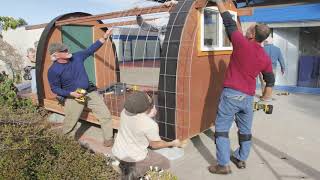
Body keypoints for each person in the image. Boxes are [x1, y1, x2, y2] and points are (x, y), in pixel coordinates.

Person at [207, 0, 275, 174]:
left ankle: (223, 165)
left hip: (231, 95)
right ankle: (241, 158)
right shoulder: (265, 57)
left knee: (221, 129)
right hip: (248, 98)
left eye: (249, 29)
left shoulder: (241, 43)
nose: (245, 30)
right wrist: (265, 98)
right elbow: (270, 80)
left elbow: (228, 22)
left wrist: (219, 2)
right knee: (245, 131)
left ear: (252, 34)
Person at [47, 29, 114, 147]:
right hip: (74, 97)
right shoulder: (53, 70)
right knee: (70, 123)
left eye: (66, 48)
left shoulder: (77, 57)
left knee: (105, 115)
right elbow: (55, 88)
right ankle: (67, 146)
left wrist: (104, 37)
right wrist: (70, 94)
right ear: (55, 55)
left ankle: (108, 139)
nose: (67, 51)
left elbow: (90, 49)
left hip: (89, 92)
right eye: (63, 50)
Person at [112, 91, 181, 178]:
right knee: (165, 162)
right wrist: (173, 143)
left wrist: (146, 115)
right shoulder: (150, 124)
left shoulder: (124, 112)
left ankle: (120, 166)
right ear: (147, 108)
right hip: (135, 159)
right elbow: (155, 145)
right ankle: (140, 174)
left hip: (117, 152)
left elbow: (137, 121)